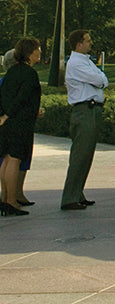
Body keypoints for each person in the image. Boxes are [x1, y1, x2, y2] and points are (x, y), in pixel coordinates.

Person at [60, 29, 108, 211]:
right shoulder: (76, 64)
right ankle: (69, 197)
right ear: (79, 44)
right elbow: (99, 79)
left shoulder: (86, 61)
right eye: (87, 41)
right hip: (84, 110)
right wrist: (100, 80)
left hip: (92, 109)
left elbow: (103, 79)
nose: (90, 43)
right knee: (80, 155)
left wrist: (101, 80)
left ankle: (77, 193)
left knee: (86, 154)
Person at [0, 38, 43, 216]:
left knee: (7, 160)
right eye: (37, 49)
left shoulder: (12, 72)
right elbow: (22, 98)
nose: (40, 52)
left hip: (9, 123)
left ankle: (5, 199)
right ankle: (11, 201)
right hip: (19, 122)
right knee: (15, 160)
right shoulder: (29, 73)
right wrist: (8, 115)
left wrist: (4, 116)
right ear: (29, 52)